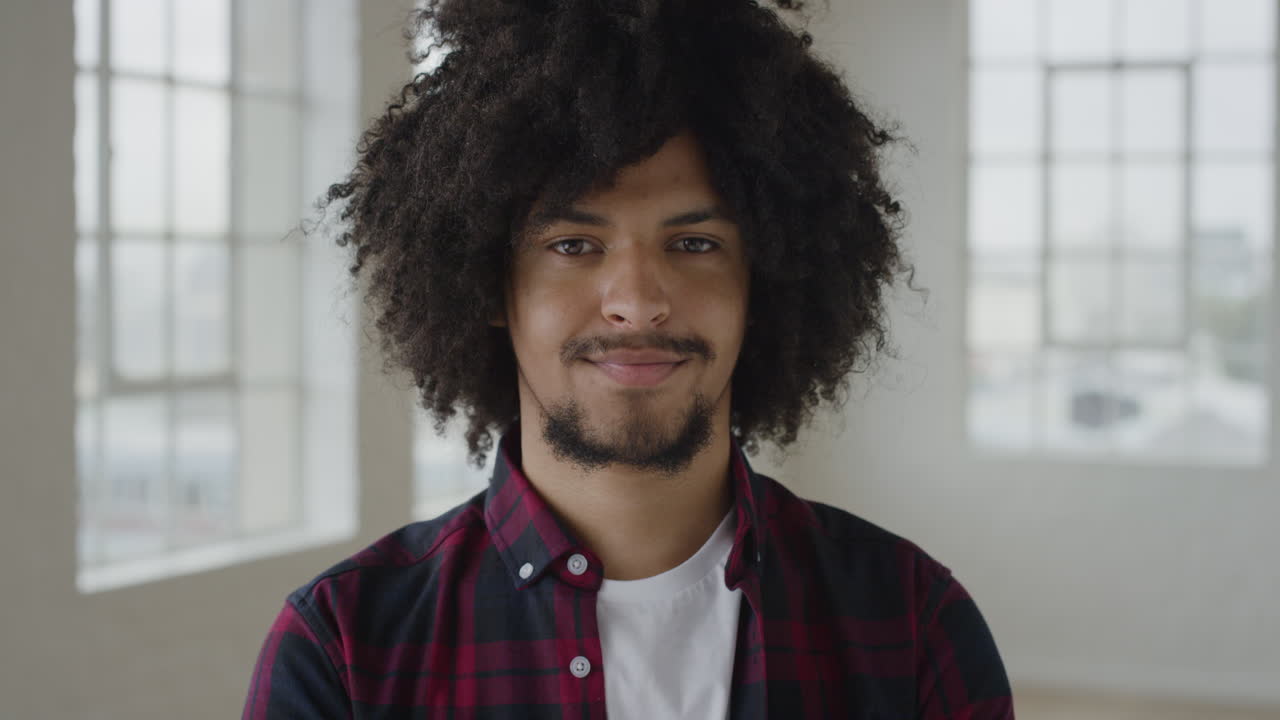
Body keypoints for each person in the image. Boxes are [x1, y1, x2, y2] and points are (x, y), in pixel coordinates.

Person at [242, 0, 1014, 717]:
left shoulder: (912, 623)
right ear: (484, 283)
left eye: (694, 244)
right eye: (573, 245)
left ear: (767, 281)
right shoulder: (343, 648)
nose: (637, 301)